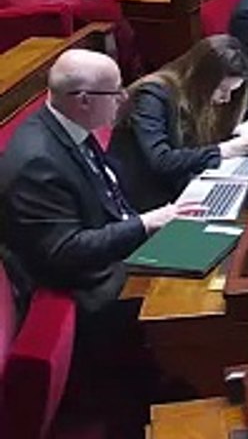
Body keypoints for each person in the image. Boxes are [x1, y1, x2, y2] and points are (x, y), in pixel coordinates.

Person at [0, 50, 202, 315]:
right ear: (84, 100)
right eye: (115, 91)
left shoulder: (70, 125)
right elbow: (65, 250)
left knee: (206, 248)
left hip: (117, 254)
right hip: (92, 287)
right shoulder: (37, 162)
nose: (124, 97)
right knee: (198, 296)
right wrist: (146, 224)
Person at [108, 35, 248, 213]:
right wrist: (222, 150)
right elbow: (161, 160)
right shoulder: (151, 97)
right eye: (222, 89)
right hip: (145, 200)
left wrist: (233, 136)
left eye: (232, 91)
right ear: (200, 78)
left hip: (178, 187)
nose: (226, 98)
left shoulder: (196, 96)